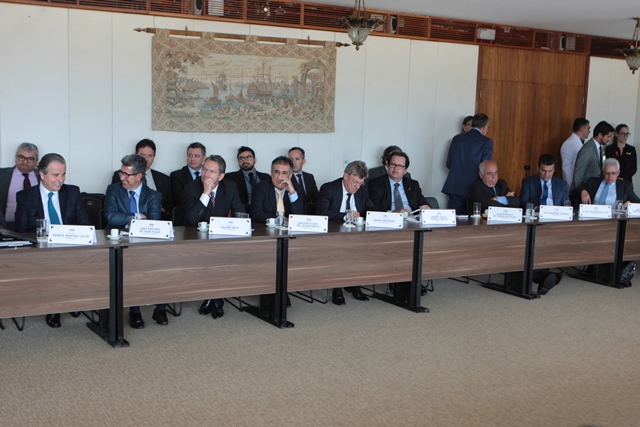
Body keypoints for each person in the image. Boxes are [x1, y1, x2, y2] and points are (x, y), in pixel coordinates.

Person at [15, 153, 90, 328]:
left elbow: (85, 223)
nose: (61, 179)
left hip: (70, 246)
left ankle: (75, 301)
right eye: (56, 175)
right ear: (42, 174)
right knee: (53, 265)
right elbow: (21, 231)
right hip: (42, 250)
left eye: (63, 174)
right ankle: (54, 308)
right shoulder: (25, 197)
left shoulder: (72, 192)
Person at [105, 154, 165, 329]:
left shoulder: (153, 195)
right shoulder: (114, 190)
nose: (121, 177)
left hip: (146, 242)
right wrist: (138, 216)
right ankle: (135, 311)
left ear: (139, 176)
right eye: (121, 173)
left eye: (126, 174)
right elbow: (110, 216)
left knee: (161, 263)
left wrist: (125, 219)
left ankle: (160, 307)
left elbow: (154, 221)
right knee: (130, 267)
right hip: (120, 242)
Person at [184, 154, 245, 320]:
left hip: (222, 237)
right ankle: (215, 299)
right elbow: (191, 219)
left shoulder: (230, 187)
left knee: (224, 255)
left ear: (221, 176)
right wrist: (205, 193)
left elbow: (240, 213)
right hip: (198, 239)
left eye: (212, 171)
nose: (206, 174)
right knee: (212, 256)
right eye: (204, 169)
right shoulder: (192, 187)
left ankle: (213, 298)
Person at [316, 160, 376, 305]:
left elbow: (371, 208)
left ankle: (354, 284)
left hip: (357, 234)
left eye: (360, 183)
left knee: (368, 248)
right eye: (354, 182)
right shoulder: (329, 188)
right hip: (334, 235)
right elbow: (321, 212)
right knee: (342, 249)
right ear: (345, 175)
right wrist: (345, 215)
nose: (357, 187)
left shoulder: (362, 190)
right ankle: (337, 288)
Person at [577, 158, 639, 286]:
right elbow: (576, 190)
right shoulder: (593, 182)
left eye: (613, 173)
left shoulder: (625, 186)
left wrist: (631, 203)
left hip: (614, 224)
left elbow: (637, 201)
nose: (610, 177)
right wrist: (582, 191)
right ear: (602, 172)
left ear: (618, 173)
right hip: (592, 222)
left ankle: (607, 271)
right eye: (607, 173)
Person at [442, 113, 493, 214]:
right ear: (484, 127)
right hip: (474, 188)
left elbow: (449, 163)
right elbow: (485, 168)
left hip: (454, 186)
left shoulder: (457, 138)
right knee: (471, 225)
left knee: (452, 221)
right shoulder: (486, 142)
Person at [111, 139, 173, 219]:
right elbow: (114, 203)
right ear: (135, 154)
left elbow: (171, 204)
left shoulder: (164, 179)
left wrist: (160, 209)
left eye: (150, 156)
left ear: (154, 156)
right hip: (126, 221)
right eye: (142, 155)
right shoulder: (120, 175)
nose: (146, 159)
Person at [368, 151, 432, 213]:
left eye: (400, 166)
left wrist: (425, 207)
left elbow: (423, 202)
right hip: (388, 220)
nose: (396, 168)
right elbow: (373, 209)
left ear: (405, 170)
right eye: (393, 164)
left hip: (411, 219)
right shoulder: (375, 184)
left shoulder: (413, 184)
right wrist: (393, 213)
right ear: (387, 165)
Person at [250, 156, 304, 223]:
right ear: (271, 172)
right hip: (266, 230)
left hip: (289, 232)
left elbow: (299, 217)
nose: (279, 176)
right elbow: (256, 214)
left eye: (284, 173)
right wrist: (280, 219)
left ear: (290, 175)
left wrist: (292, 193)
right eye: (276, 172)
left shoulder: (295, 188)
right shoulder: (261, 187)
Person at [0, 143, 40, 230]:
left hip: (34, 229)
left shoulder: (42, 177)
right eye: (21, 157)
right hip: (6, 228)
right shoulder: (2, 175)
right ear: (15, 158)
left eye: (30, 159)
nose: (25, 162)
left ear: (36, 161)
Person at [572, 120, 614, 190]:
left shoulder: (599, 148)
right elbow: (578, 174)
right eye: (608, 136)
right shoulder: (588, 149)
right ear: (600, 135)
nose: (609, 139)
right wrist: (580, 191)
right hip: (585, 191)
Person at [170, 142, 206, 208]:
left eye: (196, 156)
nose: (192, 159)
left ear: (204, 158)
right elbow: (180, 200)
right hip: (186, 212)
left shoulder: (209, 174)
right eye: (190, 155)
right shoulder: (177, 176)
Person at [560, 118, 590, 190]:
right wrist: (571, 186)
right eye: (588, 129)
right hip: (572, 185)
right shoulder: (569, 143)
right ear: (582, 129)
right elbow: (566, 167)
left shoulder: (579, 143)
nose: (589, 131)